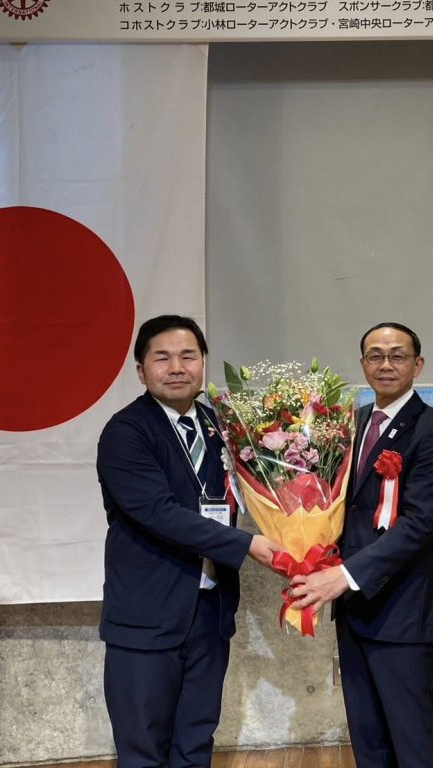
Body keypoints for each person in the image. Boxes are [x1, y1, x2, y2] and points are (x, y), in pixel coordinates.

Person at [97, 314, 282, 768]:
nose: (177, 367)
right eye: (162, 358)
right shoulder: (126, 432)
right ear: (141, 371)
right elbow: (158, 513)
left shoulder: (224, 427)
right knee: (144, 748)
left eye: (188, 356)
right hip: (148, 615)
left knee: (195, 742)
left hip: (210, 612)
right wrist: (246, 545)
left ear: (203, 364)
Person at [290, 322, 433, 768]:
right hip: (353, 609)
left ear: (417, 365)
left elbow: (418, 524)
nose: (386, 364)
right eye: (375, 355)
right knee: (369, 739)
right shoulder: (351, 424)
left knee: (414, 737)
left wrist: (344, 576)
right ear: (363, 363)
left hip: (401, 609)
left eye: (397, 355)